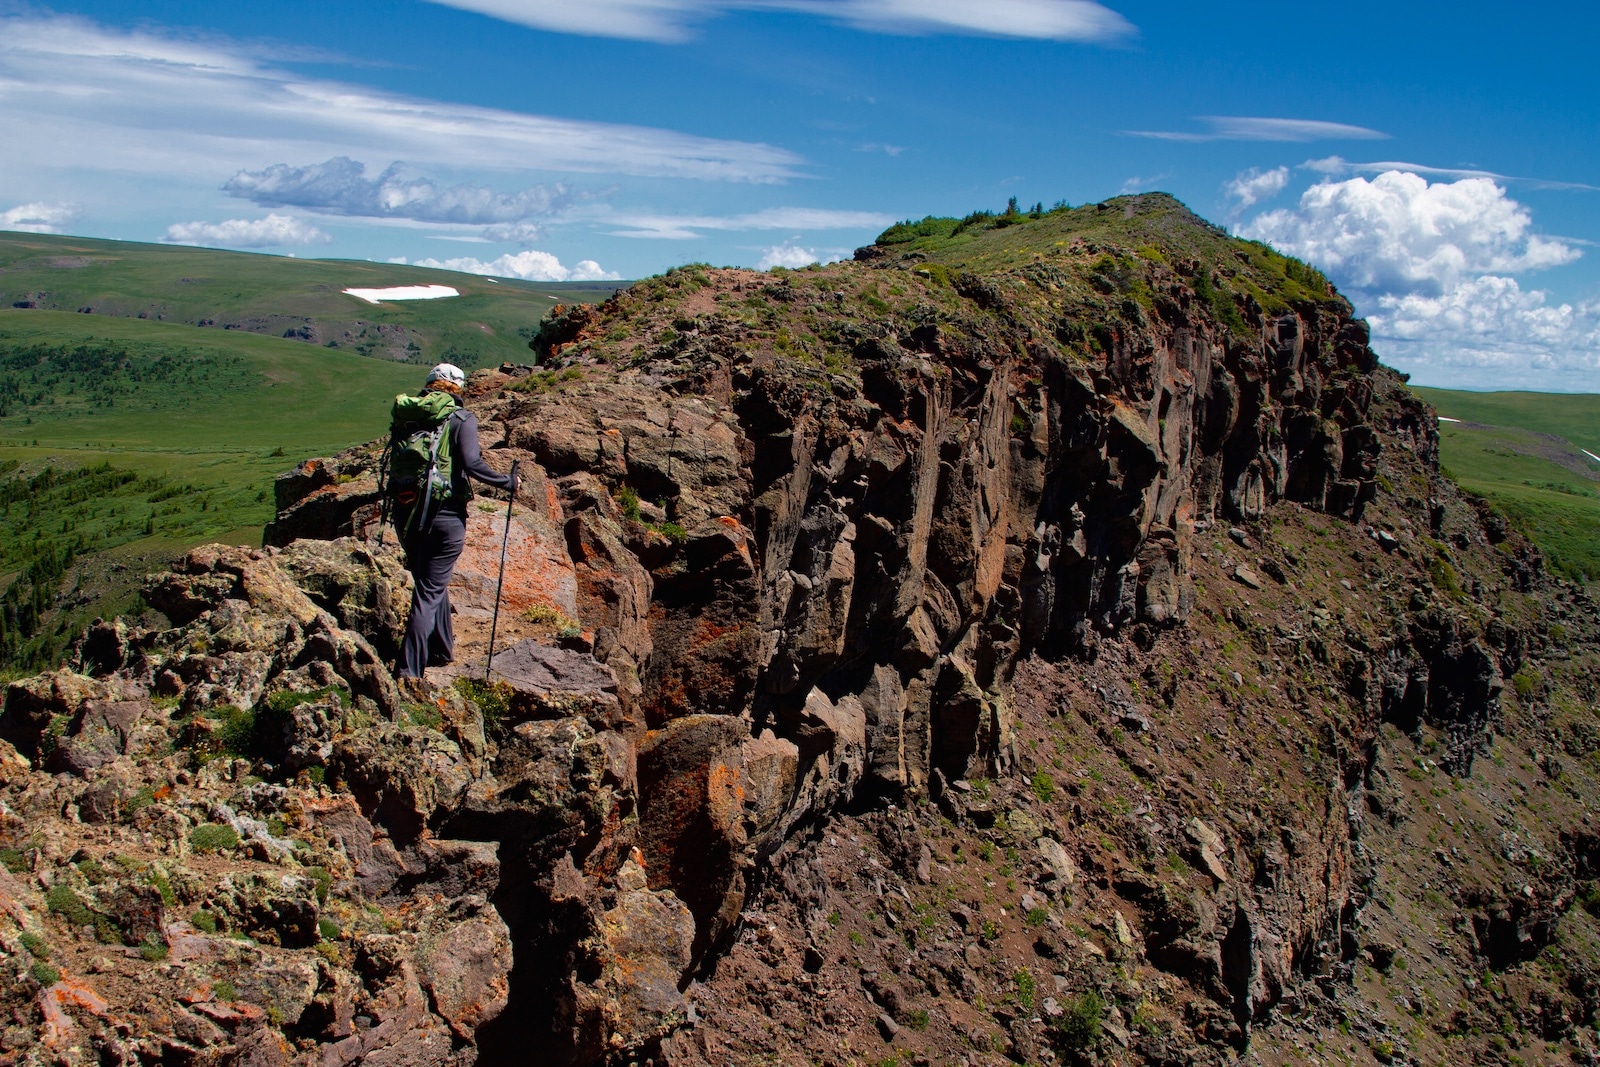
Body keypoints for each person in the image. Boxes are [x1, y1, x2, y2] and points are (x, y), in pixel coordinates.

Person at [395, 362, 515, 684]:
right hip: (445, 517)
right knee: (429, 591)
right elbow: (472, 463)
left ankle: (442, 648)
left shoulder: (408, 416)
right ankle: (408, 671)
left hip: (406, 513)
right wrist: (507, 482)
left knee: (430, 581)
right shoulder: (461, 418)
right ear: (457, 388)